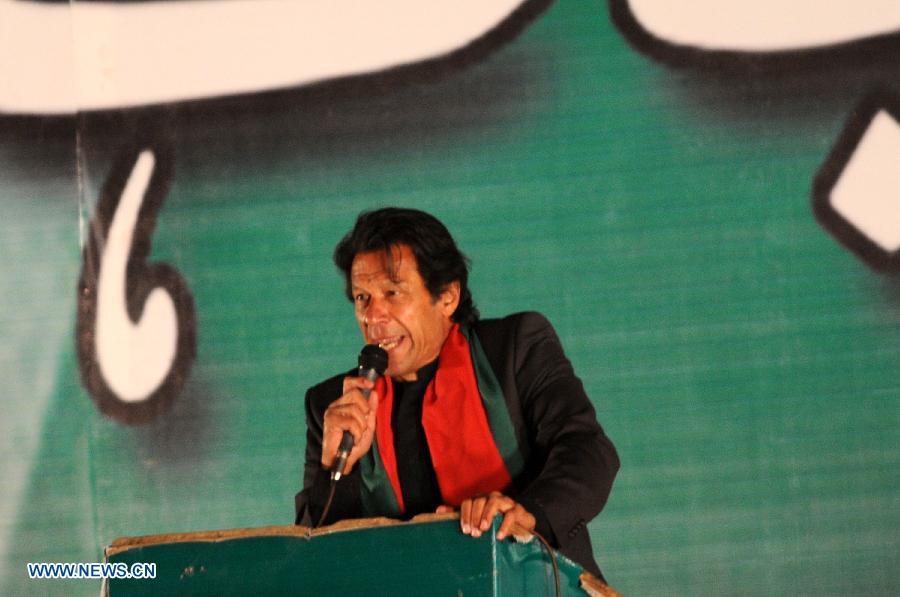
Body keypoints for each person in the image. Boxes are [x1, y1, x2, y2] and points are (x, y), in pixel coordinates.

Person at [295, 207, 619, 578]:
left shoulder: (513, 351)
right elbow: (317, 558)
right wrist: (336, 469)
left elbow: (587, 451)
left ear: (447, 296)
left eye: (392, 292)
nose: (373, 316)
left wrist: (527, 514)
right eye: (362, 298)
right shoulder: (334, 405)